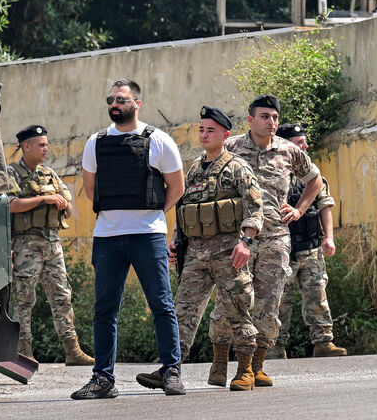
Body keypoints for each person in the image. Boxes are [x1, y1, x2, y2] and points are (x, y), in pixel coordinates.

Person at [71, 79, 186, 400]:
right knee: (104, 310)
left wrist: (152, 213)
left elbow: (176, 189)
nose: (114, 104)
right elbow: (92, 191)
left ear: (137, 103)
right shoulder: (96, 142)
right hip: (107, 237)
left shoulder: (159, 140)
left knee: (162, 305)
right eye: (110, 99)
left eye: (120, 99)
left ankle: (171, 371)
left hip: (147, 236)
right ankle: (103, 379)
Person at [136, 105, 263, 392]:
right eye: (202, 129)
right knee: (182, 310)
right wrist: (175, 240)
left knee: (238, 307)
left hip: (229, 251)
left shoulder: (237, 167)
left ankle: (245, 370)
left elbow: (255, 207)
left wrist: (246, 242)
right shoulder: (193, 169)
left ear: (225, 135)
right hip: (195, 253)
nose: (205, 135)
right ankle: (171, 369)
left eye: (211, 130)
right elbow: (184, 209)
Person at [208, 94, 324, 387]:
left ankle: (252, 368)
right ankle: (220, 361)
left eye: (274, 117)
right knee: (230, 300)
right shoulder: (230, 147)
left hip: (275, 238)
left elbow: (315, 180)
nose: (271, 122)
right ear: (250, 120)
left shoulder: (288, 151)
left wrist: (299, 209)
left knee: (268, 304)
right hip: (237, 240)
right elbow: (202, 180)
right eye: (264, 116)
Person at [8, 125, 94, 366]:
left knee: (62, 296)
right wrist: (44, 198)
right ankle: (23, 352)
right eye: (42, 144)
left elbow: (68, 206)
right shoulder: (12, 173)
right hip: (26, 245)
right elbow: (11, 204)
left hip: (52, 243)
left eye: (46, 144)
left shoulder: (49, 174)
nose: (47, 148)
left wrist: (63, 204)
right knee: (25, 299)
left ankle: (73, 350)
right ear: (27, 146)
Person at [266, 123, 347, 359]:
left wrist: (329, 239)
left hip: (311, 248)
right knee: (280, 301)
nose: (306, 145)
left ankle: (323, 343)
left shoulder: (313, 176)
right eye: (300, 142)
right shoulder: (273, 173)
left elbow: (324, 208)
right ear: (288, 144)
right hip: (283, 250)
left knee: (317, 296)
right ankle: (275, 347)